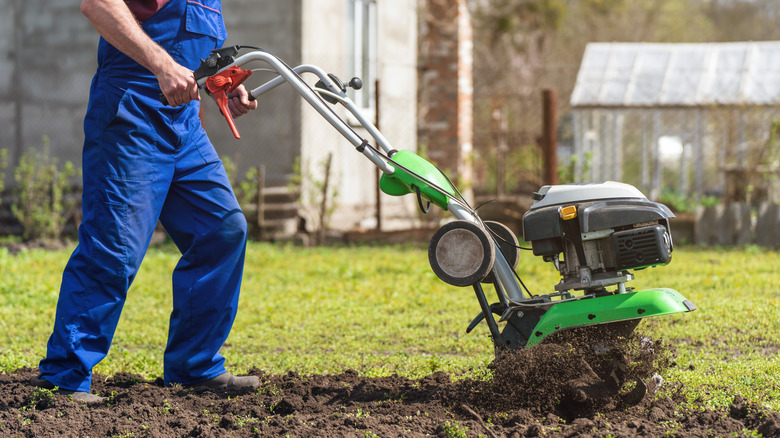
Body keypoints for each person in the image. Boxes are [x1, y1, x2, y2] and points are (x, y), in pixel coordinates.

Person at [31, 0, 259, 403]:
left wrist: (220, 80)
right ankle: (64, 378)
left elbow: (193, 55)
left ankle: (194, 367)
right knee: (114, 248)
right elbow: (97, 4)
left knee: (222, 231)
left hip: (184, 123)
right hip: (131, 115)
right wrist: (161, 64)